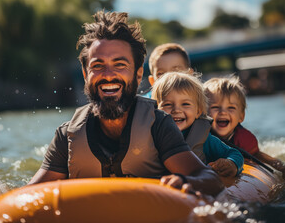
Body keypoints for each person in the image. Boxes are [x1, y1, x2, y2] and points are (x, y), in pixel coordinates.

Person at [28, 10, 224, 196]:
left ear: (139, 74)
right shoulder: (67, 135)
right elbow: (27, 194)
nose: (108, 75)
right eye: (97, 66)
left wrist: (186, 182)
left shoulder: (159, 124)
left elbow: (208, 178)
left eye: (120, 64)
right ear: (86, 74)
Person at [151, 72, 243, 177]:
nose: (176, 110)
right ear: (156, 110)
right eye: (167, 104)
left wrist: (231, 163)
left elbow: (234, 154)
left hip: (194, 185)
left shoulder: (205, 139)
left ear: (198, 111)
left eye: (185, 104)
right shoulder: (149, 135)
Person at [204, 75, 285, 179]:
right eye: (215, 107)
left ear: (241, 116)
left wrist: (283, 170)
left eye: (231, 107)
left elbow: (259, 155)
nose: (223, 112)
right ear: (202, 112)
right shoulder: (198, 135)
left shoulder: (243, 139)